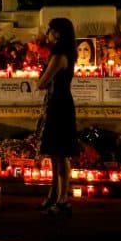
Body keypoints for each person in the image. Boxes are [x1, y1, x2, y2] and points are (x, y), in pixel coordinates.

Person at [36, 18, 79, 215]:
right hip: (57, 102)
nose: (47, 34)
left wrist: (42, 73)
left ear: (59, 34)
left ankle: (62, 199)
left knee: (61, 154)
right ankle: (54, 194)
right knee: (55, 153)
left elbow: (41, 83)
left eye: (50, 31)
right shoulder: (61, 55)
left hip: (59, 104)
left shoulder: (60, 56)